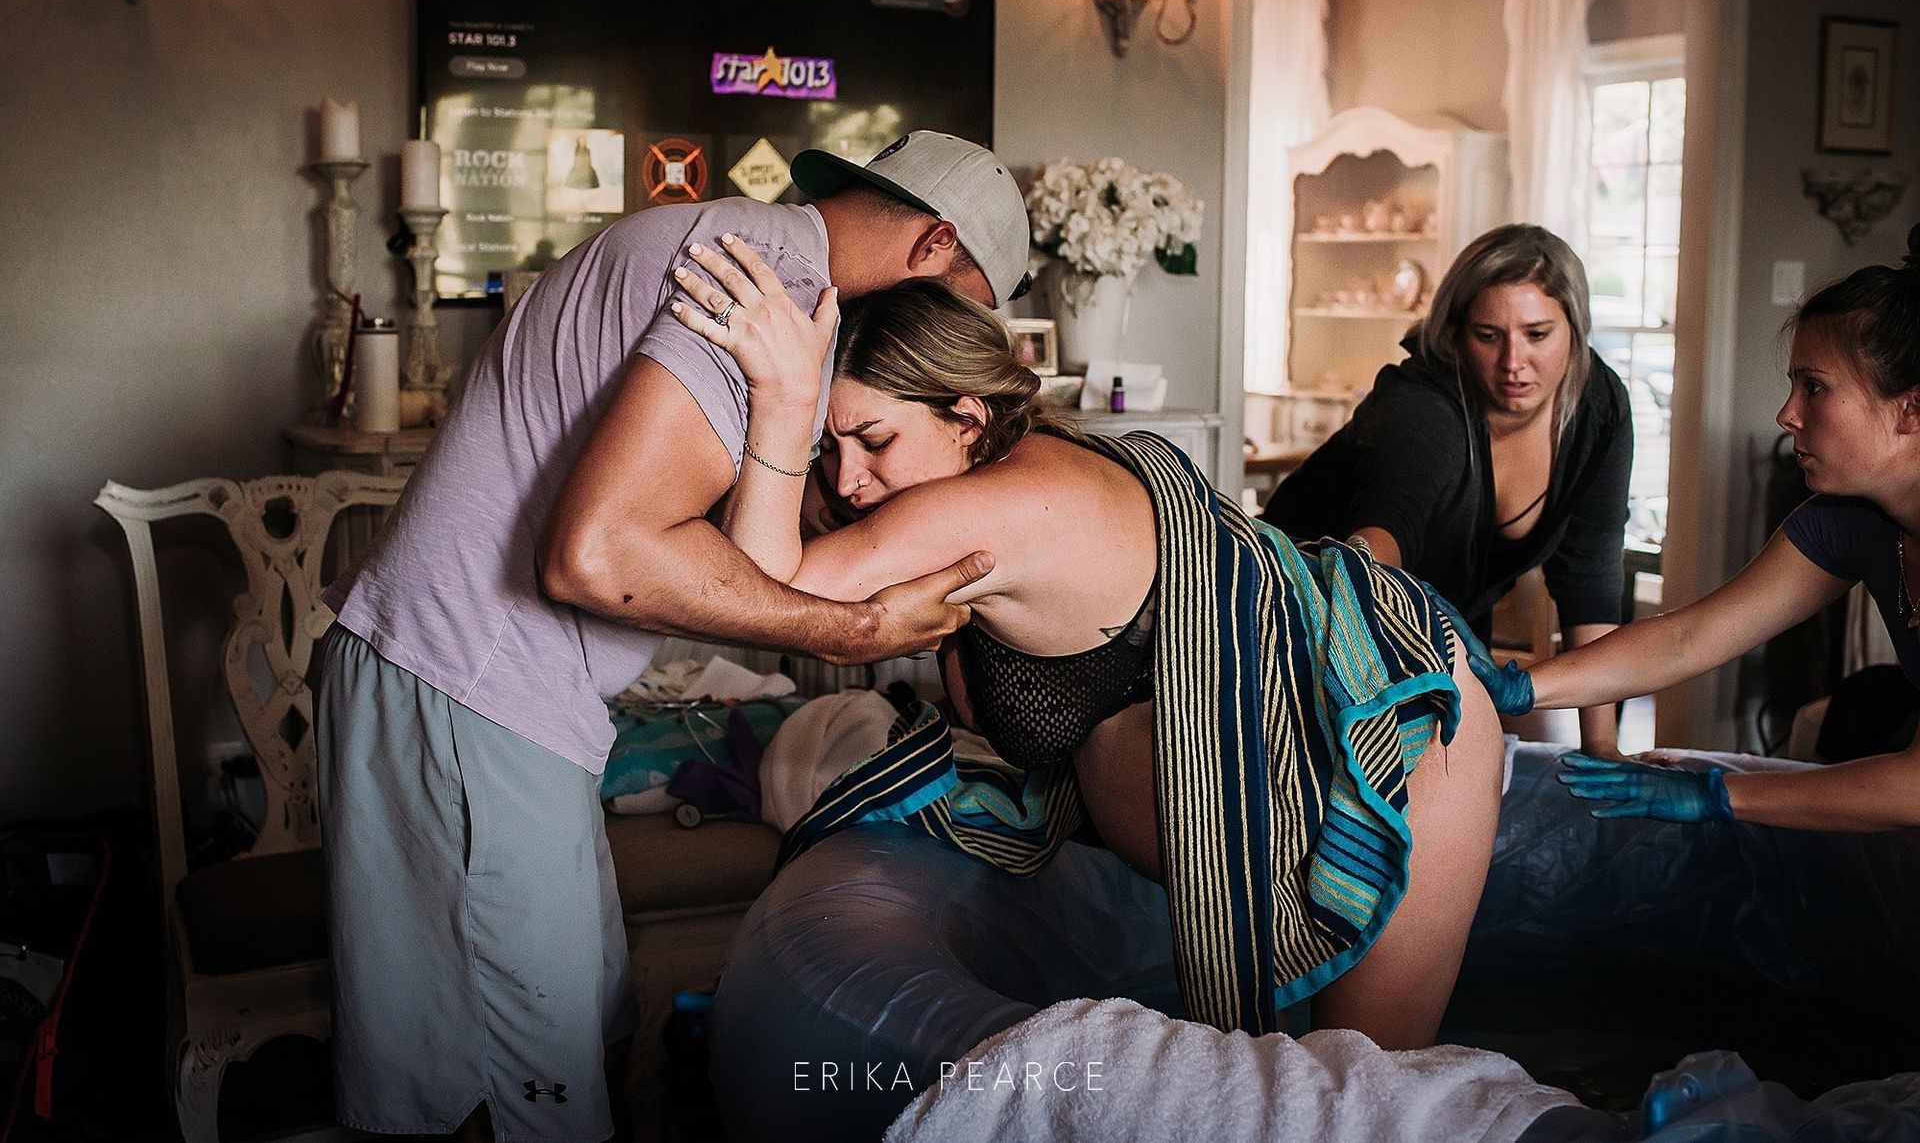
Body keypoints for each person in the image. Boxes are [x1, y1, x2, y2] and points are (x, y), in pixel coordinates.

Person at [313, 131, 1029, 1143]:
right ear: (936, 243)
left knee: (587, 1033)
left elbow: (736, 540)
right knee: (514, 1096)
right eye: (967, 298)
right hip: (465, 684)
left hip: (484, 687)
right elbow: (596, 557)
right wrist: (857, 625)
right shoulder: (756, 279)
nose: (945, 327)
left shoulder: (760, 275)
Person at [670, 241, 1506, 1051]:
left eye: (875, 441)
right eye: (830, 447)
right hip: (1317, 759)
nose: (848, 480)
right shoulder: (984, 469)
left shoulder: (980, 506)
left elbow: (756, 598)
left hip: (1404, 752)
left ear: (966, 416)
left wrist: (782, 404)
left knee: (1364, 1104)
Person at [1476, 226, 1920, 830]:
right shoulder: (1850, 522)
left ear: (1911, 409)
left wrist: (1720, 795)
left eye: (1814, 388)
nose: (1786, 414)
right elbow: (1689, 638)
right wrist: (1520, 689)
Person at [1262, 224, 1634, 757]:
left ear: (1576, 328)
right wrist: (1356, 573)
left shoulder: (1599, 408)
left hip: (1445, 614)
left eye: (1537, 333)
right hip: (1304, 605)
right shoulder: (1421, 405)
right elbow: (1384, 537)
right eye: (1488, 335)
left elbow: (1591, 580)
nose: (1513, 363)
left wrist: (1602, 747)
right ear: (1457, 333)